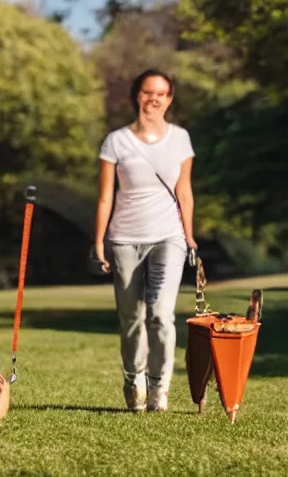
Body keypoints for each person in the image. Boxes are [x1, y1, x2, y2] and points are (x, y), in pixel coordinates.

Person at [94, 68, 197, 412]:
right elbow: (106, 197)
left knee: (161, 314)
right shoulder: (116, 141)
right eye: (147, 92)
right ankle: (133, 377)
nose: (154, 99)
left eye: (162, 93)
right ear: (137, 95)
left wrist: (190, 235)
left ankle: (159, 387)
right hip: (124, 239)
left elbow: (184, 191)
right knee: (131, 319)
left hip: (169, 236)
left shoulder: (180, 139)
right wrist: (99, 241)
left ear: (169, 100)